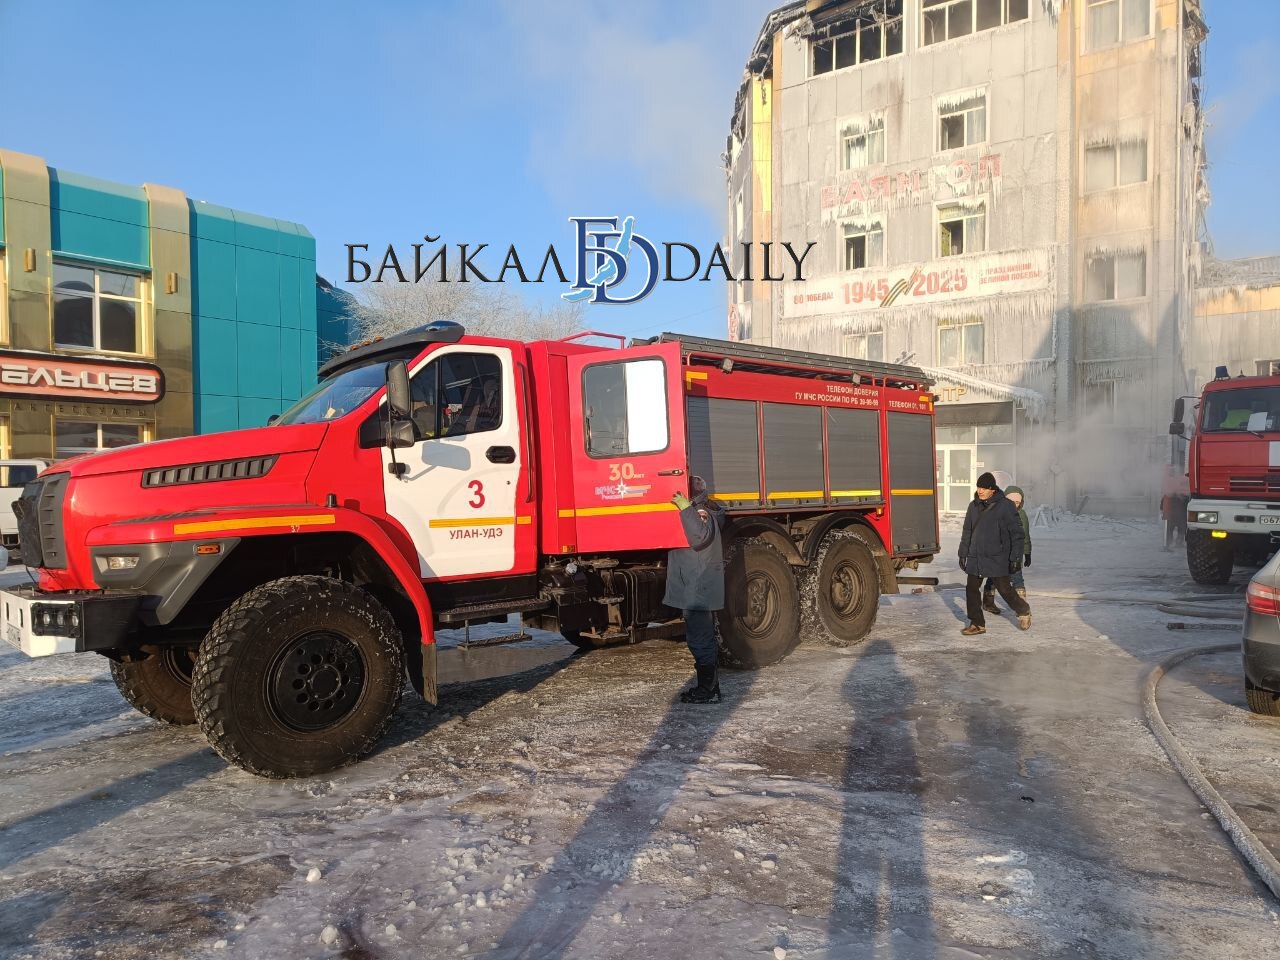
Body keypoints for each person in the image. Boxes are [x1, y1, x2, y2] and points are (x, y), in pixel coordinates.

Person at [663, 476, 726, 704]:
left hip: (698, 587)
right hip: (697, 584)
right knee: (701, 638)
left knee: (700, 639)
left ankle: (708, 690)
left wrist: (685, 508)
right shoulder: (703, 510)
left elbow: (698, 537)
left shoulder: (700, 512)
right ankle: (709, 687)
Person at [959, 472, 1031, 635]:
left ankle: (1023, 610)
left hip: (997, 557)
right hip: (976, 556)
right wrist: (963, 553)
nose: (980, 491)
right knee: (971, 589)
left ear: (992, 489)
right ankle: (977, 623)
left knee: (1005, 590)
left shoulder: (1005, 506)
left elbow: (1017, 534)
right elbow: (967, 531)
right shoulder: (973, 505)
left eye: (984, 488)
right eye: (978, 487)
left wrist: (1015, 558)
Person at [982, 484, 1030, 611]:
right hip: (998, 554)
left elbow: (1024, 536)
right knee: (994, 578)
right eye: (1011, 501)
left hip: (1016, 554)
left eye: (1017, 502)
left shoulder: (1022, 515)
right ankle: (988, 602)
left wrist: (1027, 553)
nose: (1014, 505)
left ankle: (1022, 608)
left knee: (1017, 578)